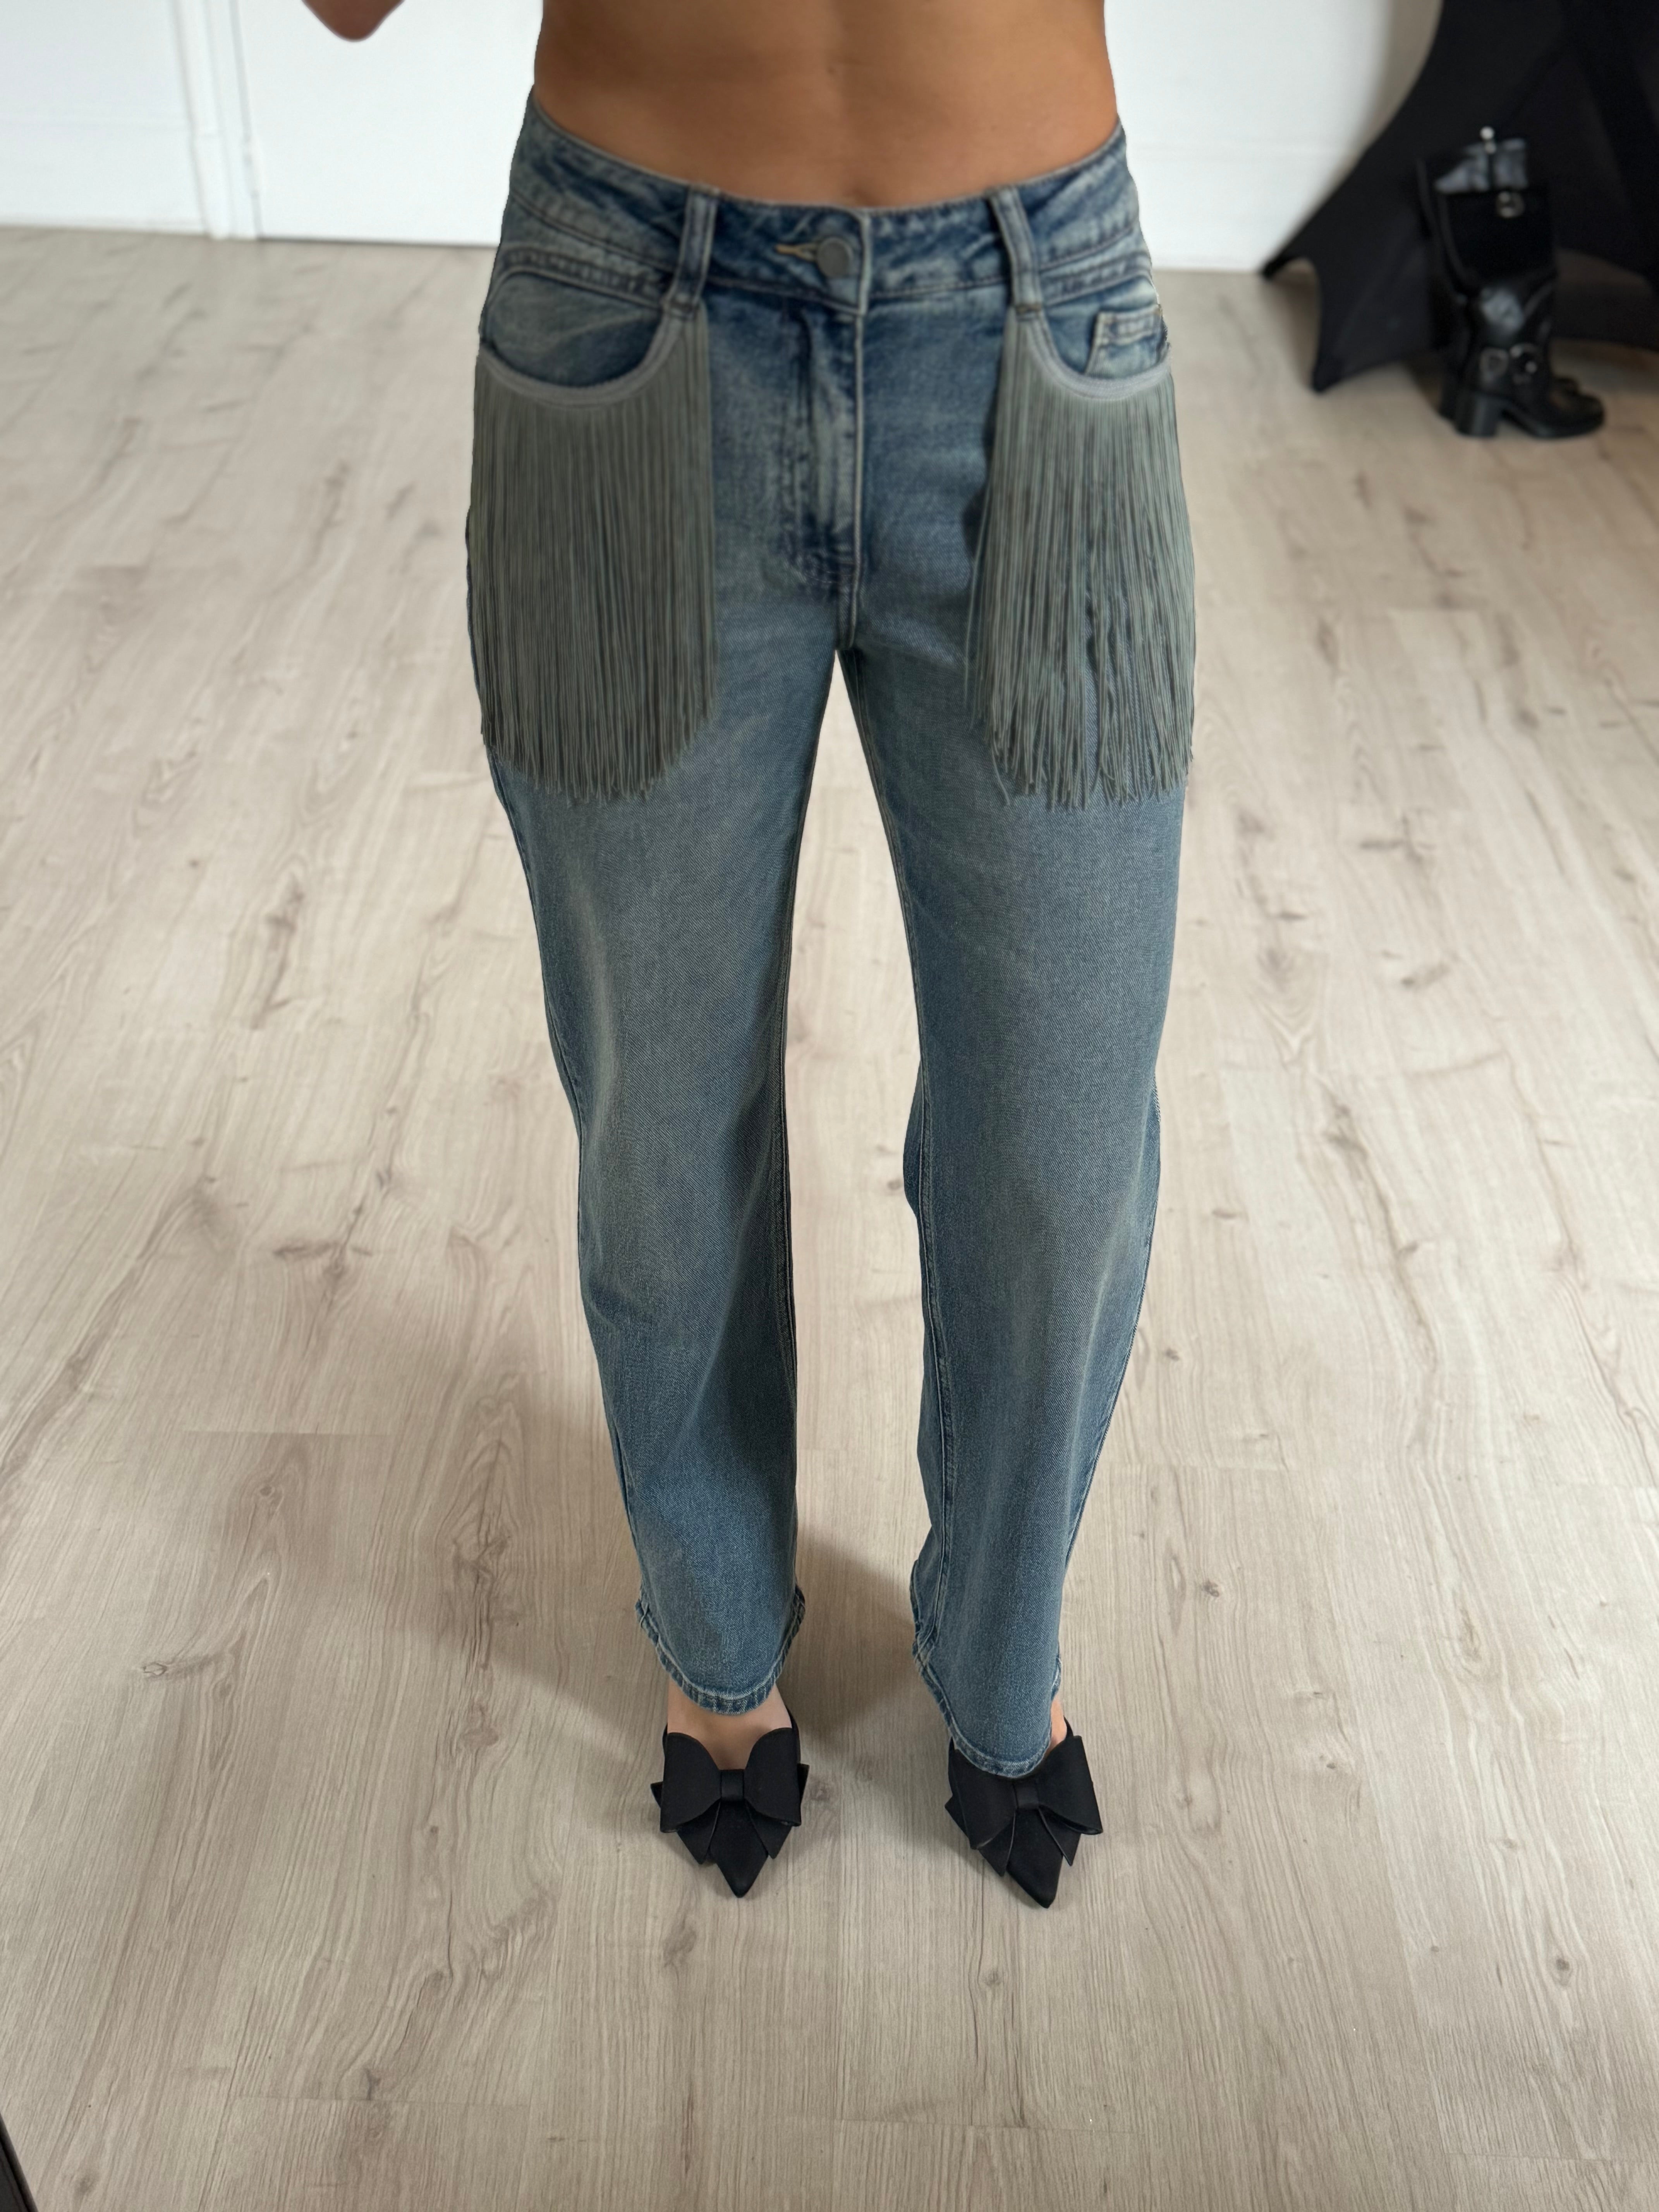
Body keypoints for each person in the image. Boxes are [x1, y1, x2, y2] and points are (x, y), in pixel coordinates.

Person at [303, 0, 1196, 1906]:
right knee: (660, 1124)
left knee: (1063, 1150)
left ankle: (1003, 1648)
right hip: (631, 320)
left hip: (1036, 320)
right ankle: (718, 1650)